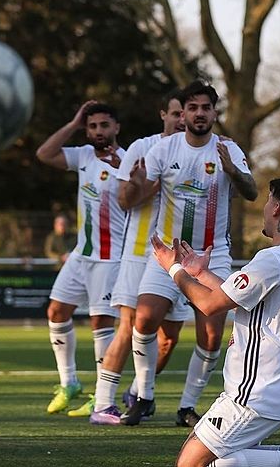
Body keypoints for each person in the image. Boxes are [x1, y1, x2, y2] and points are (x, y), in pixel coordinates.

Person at [152, 176, 280, 467]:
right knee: (203, 453)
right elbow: (240, 299)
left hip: (256, 393)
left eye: (268, 201)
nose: (265, 209)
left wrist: (172, 269)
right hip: (278, 387)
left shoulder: (274, 259)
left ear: (277, 208)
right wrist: (200, 273)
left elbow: (210, 305)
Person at [123, 80, 258, 427]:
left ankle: (187, 406)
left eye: (206, 108)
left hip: (213, 254)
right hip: (168, 254)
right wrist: (136, 183)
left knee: (211, 337)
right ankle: (144, 396)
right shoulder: (164, 149)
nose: (199, 113)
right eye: (193, 108)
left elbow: (252, 192)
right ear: (182, 114)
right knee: (144, 319)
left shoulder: (228, 149)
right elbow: (137, 195)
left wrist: (233, 171)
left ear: (215, 113)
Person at [76, 91, 190, 424]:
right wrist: (144, 184)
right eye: (176, 114)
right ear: (164, 115)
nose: (181, 120)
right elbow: (125, 201)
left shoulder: (203, 151)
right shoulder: (143, 147)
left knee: (169, 337)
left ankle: (141, 393)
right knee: (129, 325)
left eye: (186, 113)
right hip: (140, 252)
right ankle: (102, 404)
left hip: (180, 256)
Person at [36, 101, 126, 414]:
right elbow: (44, 154)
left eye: (104, 125)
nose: (98, 131)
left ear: (116, 127)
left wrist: (124, 170)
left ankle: (101, 396)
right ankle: (69, 382)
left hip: (110, 257)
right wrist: (74, 124)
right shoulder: (84, 155)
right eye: (92, 126)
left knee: (100, 323)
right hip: (81, 254)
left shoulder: (129, 160)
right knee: (56, 311)